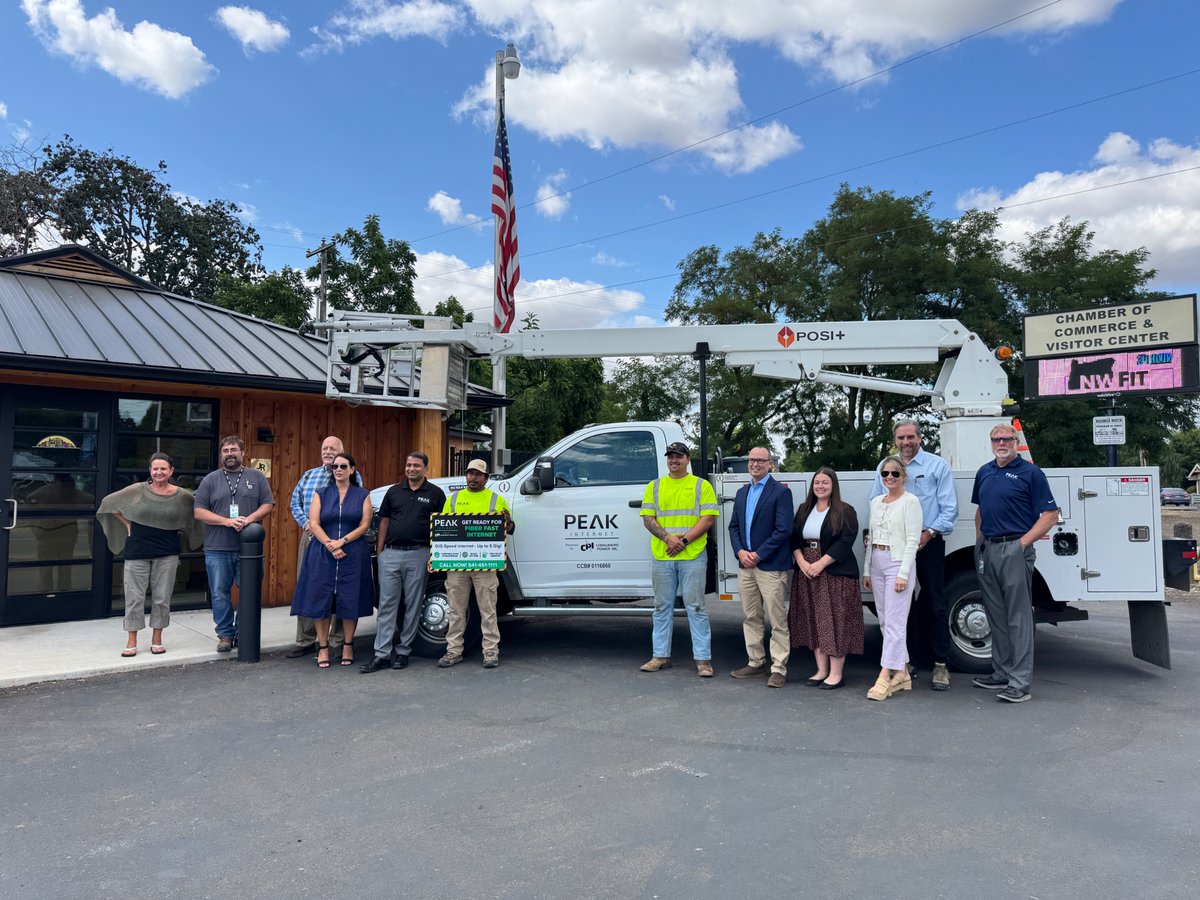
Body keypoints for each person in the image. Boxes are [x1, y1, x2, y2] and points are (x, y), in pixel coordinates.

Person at [971, 423, 1058, 703]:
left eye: (1007, 438)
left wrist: (1021, 545)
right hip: (990, 548)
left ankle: (1019, 683)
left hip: (1015, 547)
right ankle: (1001, 672)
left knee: (1018, 618)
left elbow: (1049, 515)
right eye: (996, 439)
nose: (1001, 443)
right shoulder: (984, 472)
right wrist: (980, 542)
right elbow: (981, 511)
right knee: (995, 615)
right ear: (990, 442)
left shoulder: (1031, 473)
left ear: (1016, 441)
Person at [870, 419, 958, 690]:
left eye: (911, 437)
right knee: (899, 608)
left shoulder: (937, 465)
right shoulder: (885, 466)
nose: (906, 443)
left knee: (934, 602)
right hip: (896, 546)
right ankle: (905, 662)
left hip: (927, 541)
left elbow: (949, 509)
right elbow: (876, 503)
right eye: (901, 438)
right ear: (895, 440)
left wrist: (929, 532)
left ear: (920, 438)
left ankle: (941, 665)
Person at [96, 453, 202, 657]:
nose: (159, 472)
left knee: (162, 598)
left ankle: (157, 639)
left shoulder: (182, 496)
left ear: (171, 471)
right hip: (137, 550)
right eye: (155, 469)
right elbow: (108, 503)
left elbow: (197, 514)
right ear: (150, 471)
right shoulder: (138, 490)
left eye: (163, 468)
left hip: (168, 552)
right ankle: (132, 640)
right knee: (134, 598)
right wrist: (128, 524)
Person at [639, 441, 719, 677]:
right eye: (670, 457)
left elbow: (707, 520)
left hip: (692, 555)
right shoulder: (654, 486)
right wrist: (667, 539)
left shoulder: (701, 486)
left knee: (696, 607)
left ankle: (703, 660)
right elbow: (648, 518)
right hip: (663, 555)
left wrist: (682, 542)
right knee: (661, 607)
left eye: (679, 456)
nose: (674, 460)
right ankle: (660, 656)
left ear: (688, 460)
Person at [361, 451, 445, 673]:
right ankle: (381, 654)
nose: (411, 469)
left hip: (419, 554)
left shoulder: (435, 494)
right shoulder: (394, 491)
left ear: (425, 468)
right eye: (408, 465)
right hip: (391, 554)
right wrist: (380, 551)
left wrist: (435, 554)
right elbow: (385, 521)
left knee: (413, 605)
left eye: (416, 465)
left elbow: (441, 527)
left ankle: (404, 650)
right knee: (387, 605)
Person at [291, 453, 374, 668]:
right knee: (321, 599)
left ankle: (347, 645)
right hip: (322, 552)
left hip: (352, 552)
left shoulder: (362, 494)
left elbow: (364, 525)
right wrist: (330, 544)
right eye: (335, 466)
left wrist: (342, 542)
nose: (338, 469)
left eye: (343, 466)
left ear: (352, 469)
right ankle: (324, 647)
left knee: (349, 598)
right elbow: (314, 522)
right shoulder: (321, 493)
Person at [194, 436, 275, 652]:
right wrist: (227, 521)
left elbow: (268, 503)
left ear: (242, 452)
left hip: (249, 549)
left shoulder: (256, 477)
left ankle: (243, 632)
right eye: (226, 450)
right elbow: (199, 511)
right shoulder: (210, 480)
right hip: (217, 548)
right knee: (220, 593)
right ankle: (225, 635)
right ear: (221, 454)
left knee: (250, 590)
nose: (230, 454)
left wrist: (249, 519)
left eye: (234, 450)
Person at [789, 467, 862, 689]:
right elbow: (793, 539)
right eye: (817, 482)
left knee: (834, 622)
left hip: (833, 572)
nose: (820, 486)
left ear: (833, 486)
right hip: (807, 572)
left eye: (825, 483)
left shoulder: (845, 510)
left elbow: (845, 541)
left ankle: (836, 673)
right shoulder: (804, 509)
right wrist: (802, 563)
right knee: (814, 620)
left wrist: (820, 563)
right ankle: (821, 670)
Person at [438, 459, 514, 669]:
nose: (473, 477)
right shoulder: (453, 499)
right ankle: (453, 651)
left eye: (477, 474)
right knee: (456, 610)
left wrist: (507, 521)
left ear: (486, 478)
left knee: (488, 610)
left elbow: (511, 527)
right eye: (470, 473)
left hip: (485, 565)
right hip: (457, 566)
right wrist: (435, 557)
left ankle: (490, 652)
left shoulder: (495, 500)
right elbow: (443, 530)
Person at [727, 447, 793, 688]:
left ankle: (779, 668)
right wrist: (741, 552)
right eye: (751, 459)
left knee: (777, 619)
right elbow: (733, 527)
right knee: (751, 616)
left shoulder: (780, 492)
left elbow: (784, 530)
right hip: (746, 566)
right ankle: (756, 663)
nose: (755, 463)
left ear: (770, 464)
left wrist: (758, 554)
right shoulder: (742, 492)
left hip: (771, 566)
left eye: (760, 460)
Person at [864, 455, 924, 701]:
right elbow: (871, 536)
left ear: (904, 477)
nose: (889, 477)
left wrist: (903, 573)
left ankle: (884, 675)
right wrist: (867, 569)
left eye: (894, 474)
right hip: (877, 561)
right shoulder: (877, 501)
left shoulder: (911, 501)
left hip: (898, 563)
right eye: (885, 474)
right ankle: (902, 672)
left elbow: (912, 540)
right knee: (886, 621)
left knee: (897, 622)